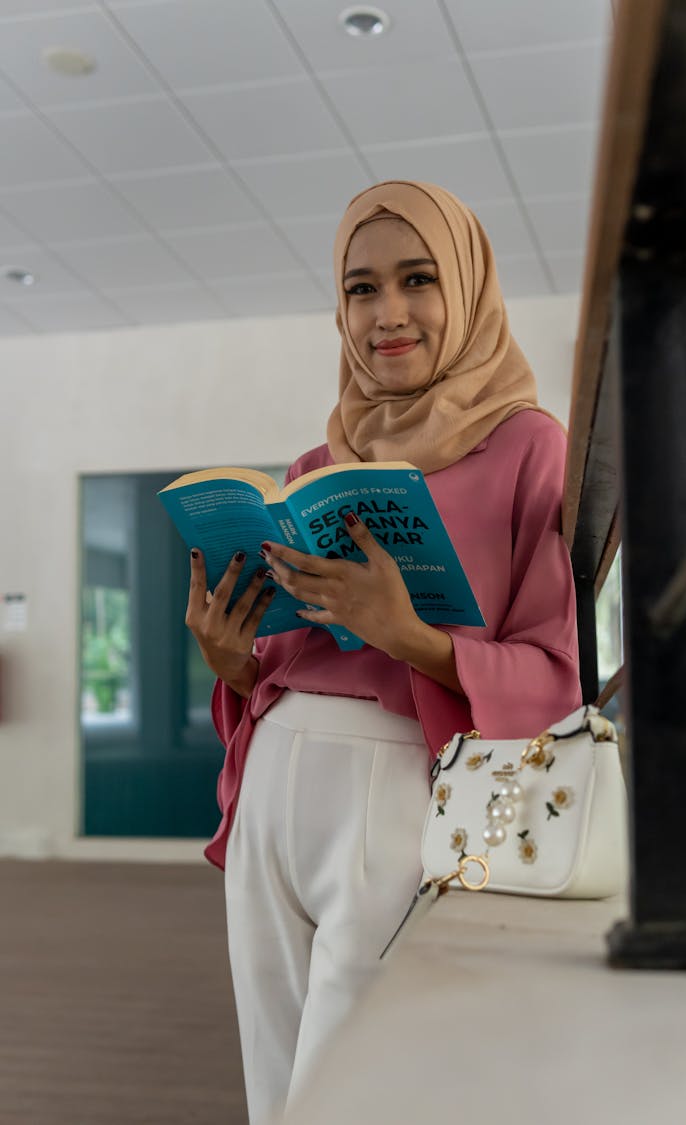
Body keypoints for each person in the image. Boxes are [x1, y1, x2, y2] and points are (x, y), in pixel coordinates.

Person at [185, 181, 581, 1123]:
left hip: (397, 793)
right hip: (273, 787)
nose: (388, 313)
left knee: (351, 1088)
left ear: (470, 289)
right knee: (273, 1084)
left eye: (418, 279)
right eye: (361, 289)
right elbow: (293, 652)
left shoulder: (531, 448)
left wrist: (409, 634)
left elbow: (558, 676)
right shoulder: (317, 468)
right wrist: (235, 659)